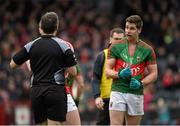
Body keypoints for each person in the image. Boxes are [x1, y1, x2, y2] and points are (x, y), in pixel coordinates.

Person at [10, 12, 77, 125]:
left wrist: (31, 64)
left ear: (40, 27)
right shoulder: (64, 46)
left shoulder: (31, 45)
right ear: (56, 27)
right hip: (55, 91)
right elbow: (73, 72)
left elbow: (12, 65)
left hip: (36, 92)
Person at [106, 15, 158, 125]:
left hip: (136, 93)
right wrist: (119, 74)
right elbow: (107, 71)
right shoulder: (115, 47)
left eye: (132, 28)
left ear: (139, 30)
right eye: (126, 27)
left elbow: (154, 74)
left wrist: (141, 83)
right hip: (118, 90)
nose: (128, 31)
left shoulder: (148, 50)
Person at [92, 28, 125, 125]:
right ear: (110, 40)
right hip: (106, 100)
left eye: (121, 39)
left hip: (123, 99)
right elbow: (95, 79)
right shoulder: (102, 56)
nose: (118, 41)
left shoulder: (129, 57)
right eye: (116, 39)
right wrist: (97, 97)